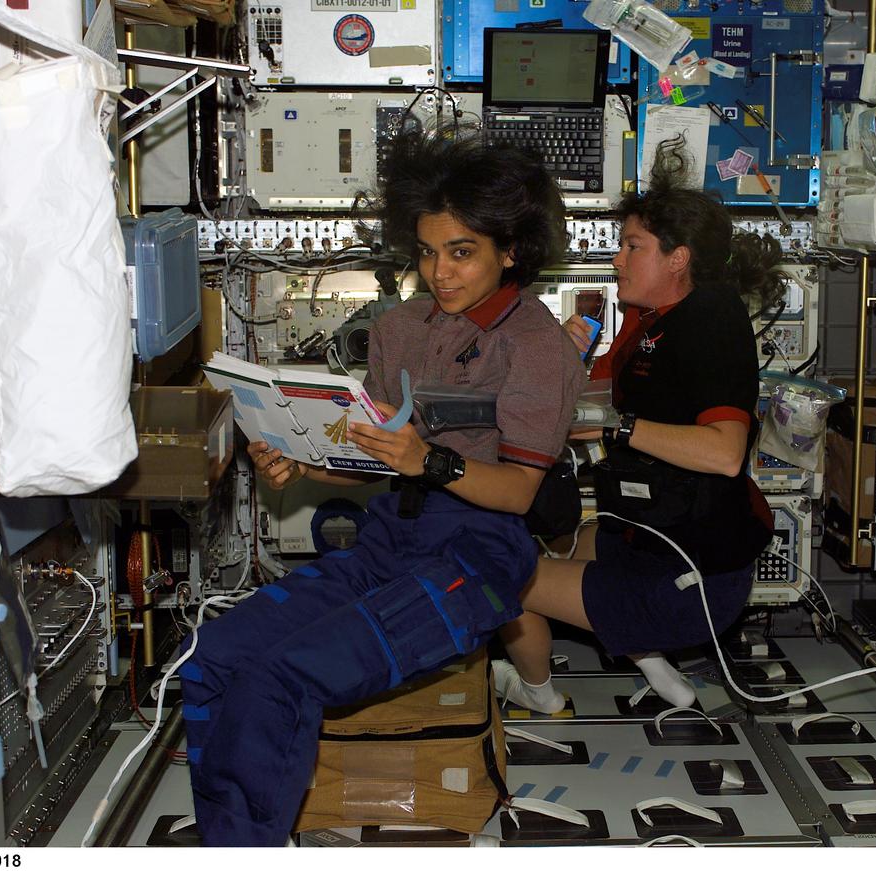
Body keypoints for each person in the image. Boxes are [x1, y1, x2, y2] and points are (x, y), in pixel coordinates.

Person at [180, 130, 587, 846]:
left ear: (510, 251)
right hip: (390, 544)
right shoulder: (401, 328)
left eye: (460, 252)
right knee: (216, 656)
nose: (439, 272)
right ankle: (232, 839)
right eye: (427, 252)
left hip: (474, 559)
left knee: (284, 676)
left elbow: (521, 493)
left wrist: (430, 462)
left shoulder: (537, 346)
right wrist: (301, 461)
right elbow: (373, 458)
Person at [493, 150, 783, 714]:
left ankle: (538, 693)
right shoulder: (647, 323)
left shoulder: (712, 318)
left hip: (691, 575)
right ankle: (657, 668)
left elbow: (725, 453)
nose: (617, 258)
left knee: (502, 573)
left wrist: (619, 426)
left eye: (633, 246)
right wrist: (565, 359)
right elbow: (584, 409)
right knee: (549, 543)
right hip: (649, 538)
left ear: (678, 258)